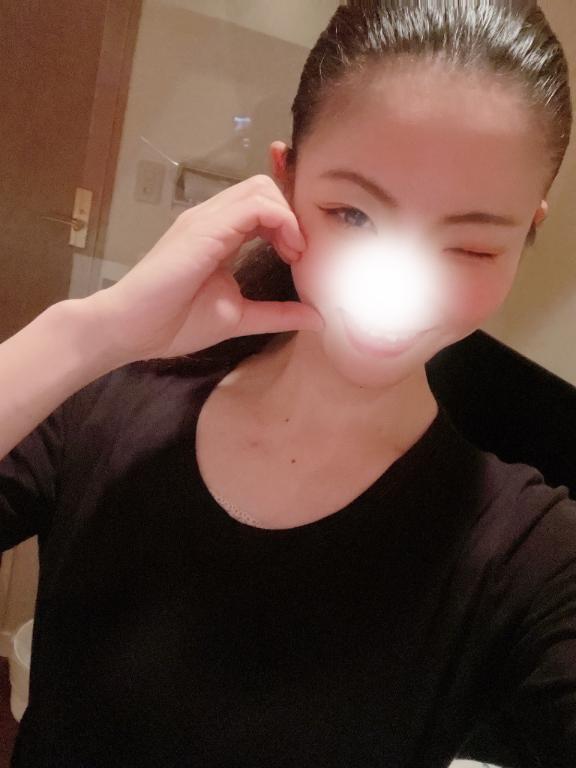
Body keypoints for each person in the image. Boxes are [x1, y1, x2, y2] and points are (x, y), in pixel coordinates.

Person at [1, 0, 575, 765]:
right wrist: (89, 336)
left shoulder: (529, 555)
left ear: (526, 233)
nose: (401, 289)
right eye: (354, 215)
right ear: (285, 180)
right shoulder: (104, 408)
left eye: (471, 246)